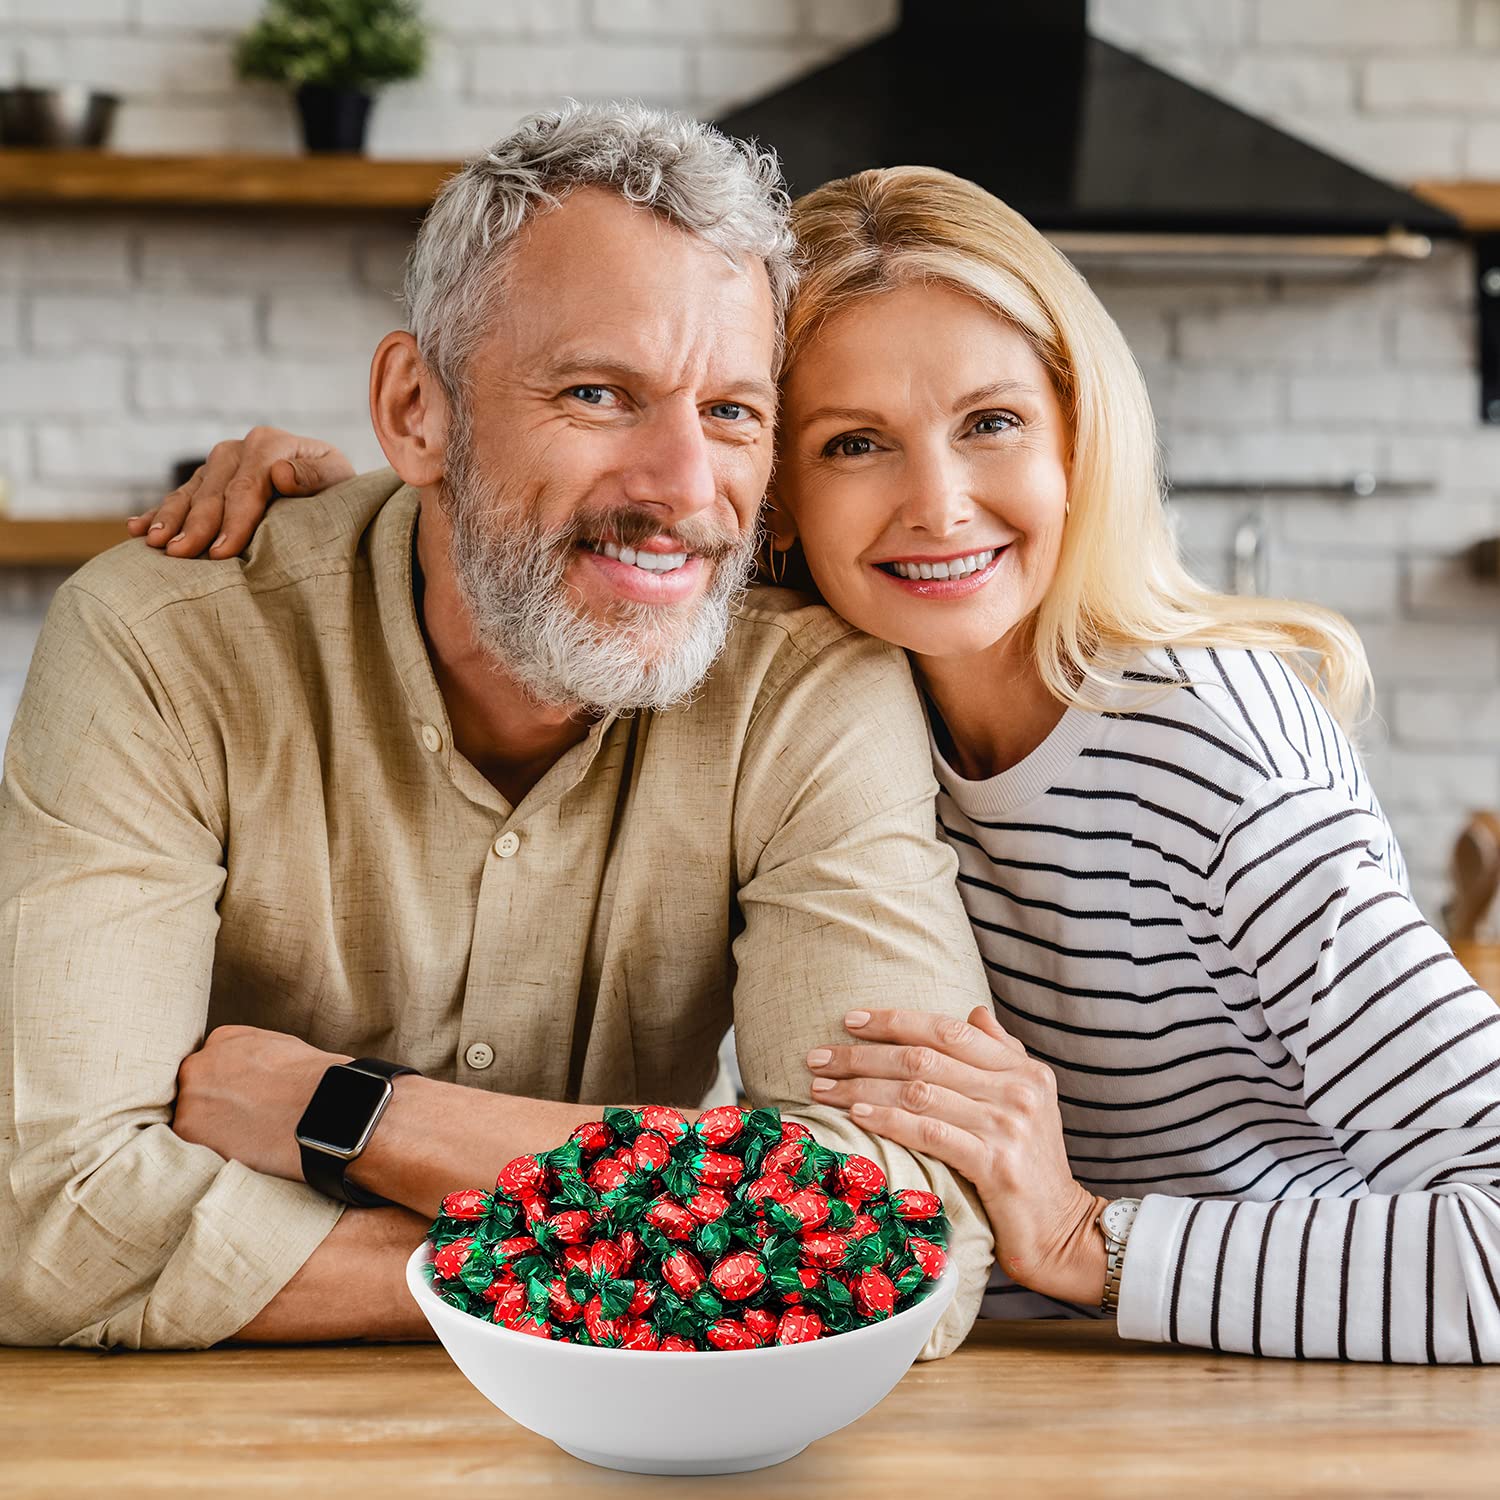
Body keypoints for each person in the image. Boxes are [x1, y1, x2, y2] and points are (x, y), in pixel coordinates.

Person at [171, 164, 1500, 1363]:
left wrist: (1096, 1242)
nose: (936, 504)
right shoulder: (807, 703)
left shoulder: (1213, 759)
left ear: (1081, 434)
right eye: (853, 443)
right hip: (961, 1378)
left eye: (990, 422)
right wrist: (343, 514)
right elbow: (563, 510)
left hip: (1267, 1402)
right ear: (771, 493)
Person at [0, 106, 1001, 1353]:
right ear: (418, 410)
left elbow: (915, 1245)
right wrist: (692, 1259)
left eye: (735, 413)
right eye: (598, 392)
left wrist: (355, 1117)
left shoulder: (805, 689)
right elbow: (47, 1219)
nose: (686, 490)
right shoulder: (167, 645)